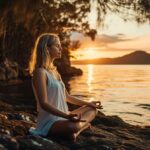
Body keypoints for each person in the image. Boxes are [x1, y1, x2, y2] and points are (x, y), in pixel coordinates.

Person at [28, 33, 103, 143]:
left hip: (63, 117)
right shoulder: (40, 72)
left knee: (92, 109)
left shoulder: (55, 72)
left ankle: (76, 130)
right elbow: (43, 103)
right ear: (47, 48)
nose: (60, 48)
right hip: (49, 122)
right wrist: (67, 116)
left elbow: (67, 97)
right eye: (57, 45)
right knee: (72, 127)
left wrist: (88, 103)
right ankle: (79, 128)